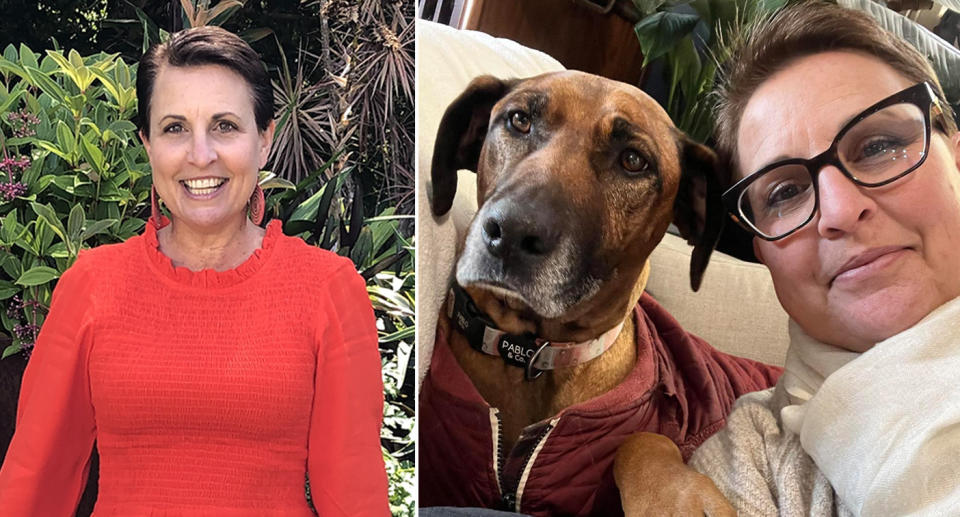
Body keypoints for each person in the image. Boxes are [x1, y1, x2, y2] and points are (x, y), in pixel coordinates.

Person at [0, 26, 389, 516]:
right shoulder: (92, 285)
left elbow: (354, 497)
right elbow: (33, 484)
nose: (200, 154)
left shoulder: (327, 290)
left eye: (225, 125)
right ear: (147, 144)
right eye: (175, 127)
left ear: (264, 140)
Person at [686, 3, 960, 515]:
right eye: (785, 192)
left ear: (957, 156)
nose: (839, 209)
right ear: (762, 251)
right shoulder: (749, 465)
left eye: (878, 145)